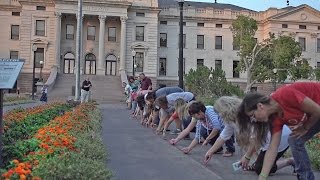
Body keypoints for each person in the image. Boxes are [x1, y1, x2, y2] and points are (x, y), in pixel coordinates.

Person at [237, 82, 320, 180]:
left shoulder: (285, 95)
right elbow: (272, 148)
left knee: (295, 140)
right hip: (316, 117)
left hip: (317, 111)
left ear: (260, 106)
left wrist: (305, 127)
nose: (254, 120)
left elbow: (317, 111)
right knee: (295, 140)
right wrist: (262, 177)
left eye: (253, 116)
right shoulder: (274, 119)